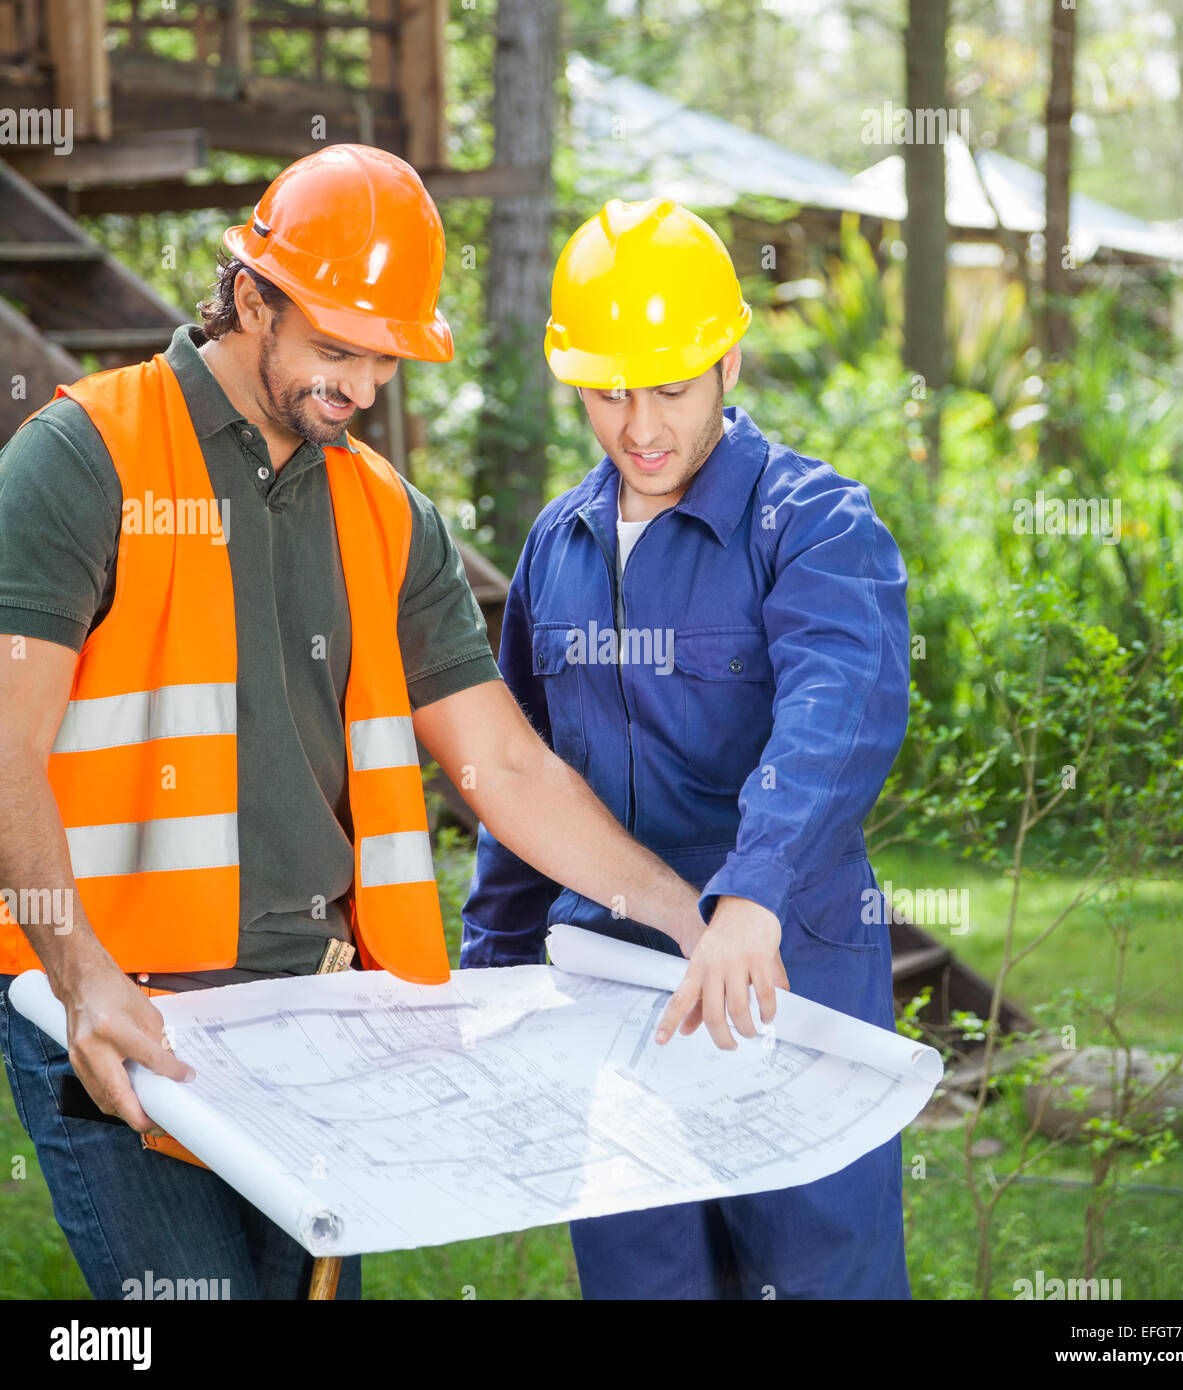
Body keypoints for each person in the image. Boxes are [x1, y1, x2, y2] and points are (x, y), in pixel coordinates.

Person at [0, 150, 710, 1301]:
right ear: (248, 296)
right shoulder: (85, 458)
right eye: (337, 347)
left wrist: (687, 913)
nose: (363, 386)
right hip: (125, 1012)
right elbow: (5, 745)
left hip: (326, 1021)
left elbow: (508, 764)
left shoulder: (388, 515)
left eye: (383, 356)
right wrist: (81, 978)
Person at [460, 197, 913, 1299]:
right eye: (610, 391)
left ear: (729, 362)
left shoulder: (813, 523)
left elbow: (838, 705)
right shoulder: (557, 545)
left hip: (788, 987)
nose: (640, 426)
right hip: (607, 1007)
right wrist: (489, 969)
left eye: (670, 385)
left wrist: (750, 893)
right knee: (643, 1284)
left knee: (817, 1283)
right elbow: (526, 778)